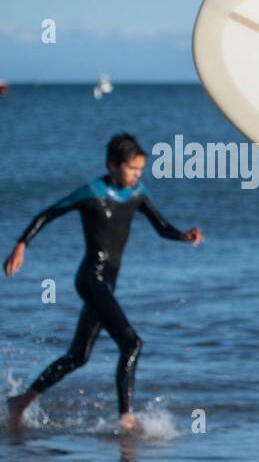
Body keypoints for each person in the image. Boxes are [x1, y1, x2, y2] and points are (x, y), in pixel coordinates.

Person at [4, 133, 203, 433]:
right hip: (90, 279)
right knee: (132, 343)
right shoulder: (92, 192)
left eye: (140, 170)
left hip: (107, 284)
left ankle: (21, 401)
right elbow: (49, 213)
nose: (137, 175)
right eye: (132, 169)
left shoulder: (136, 193)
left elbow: (161, 227)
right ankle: (127, 418)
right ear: (113, 165)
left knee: (78, 356)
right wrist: (21, 245)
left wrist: (182, 236)